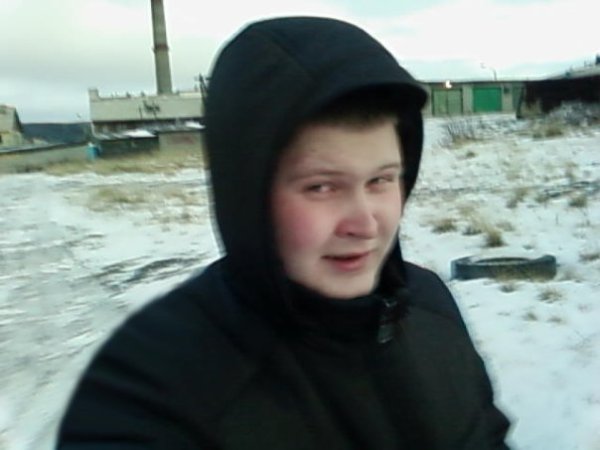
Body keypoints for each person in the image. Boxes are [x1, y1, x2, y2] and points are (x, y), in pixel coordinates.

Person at [58, 16, 511, 449]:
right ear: (248, 193)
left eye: (381, 180)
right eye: (322, 187)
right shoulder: (156, 391)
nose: (365, 224)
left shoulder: (428, 304)